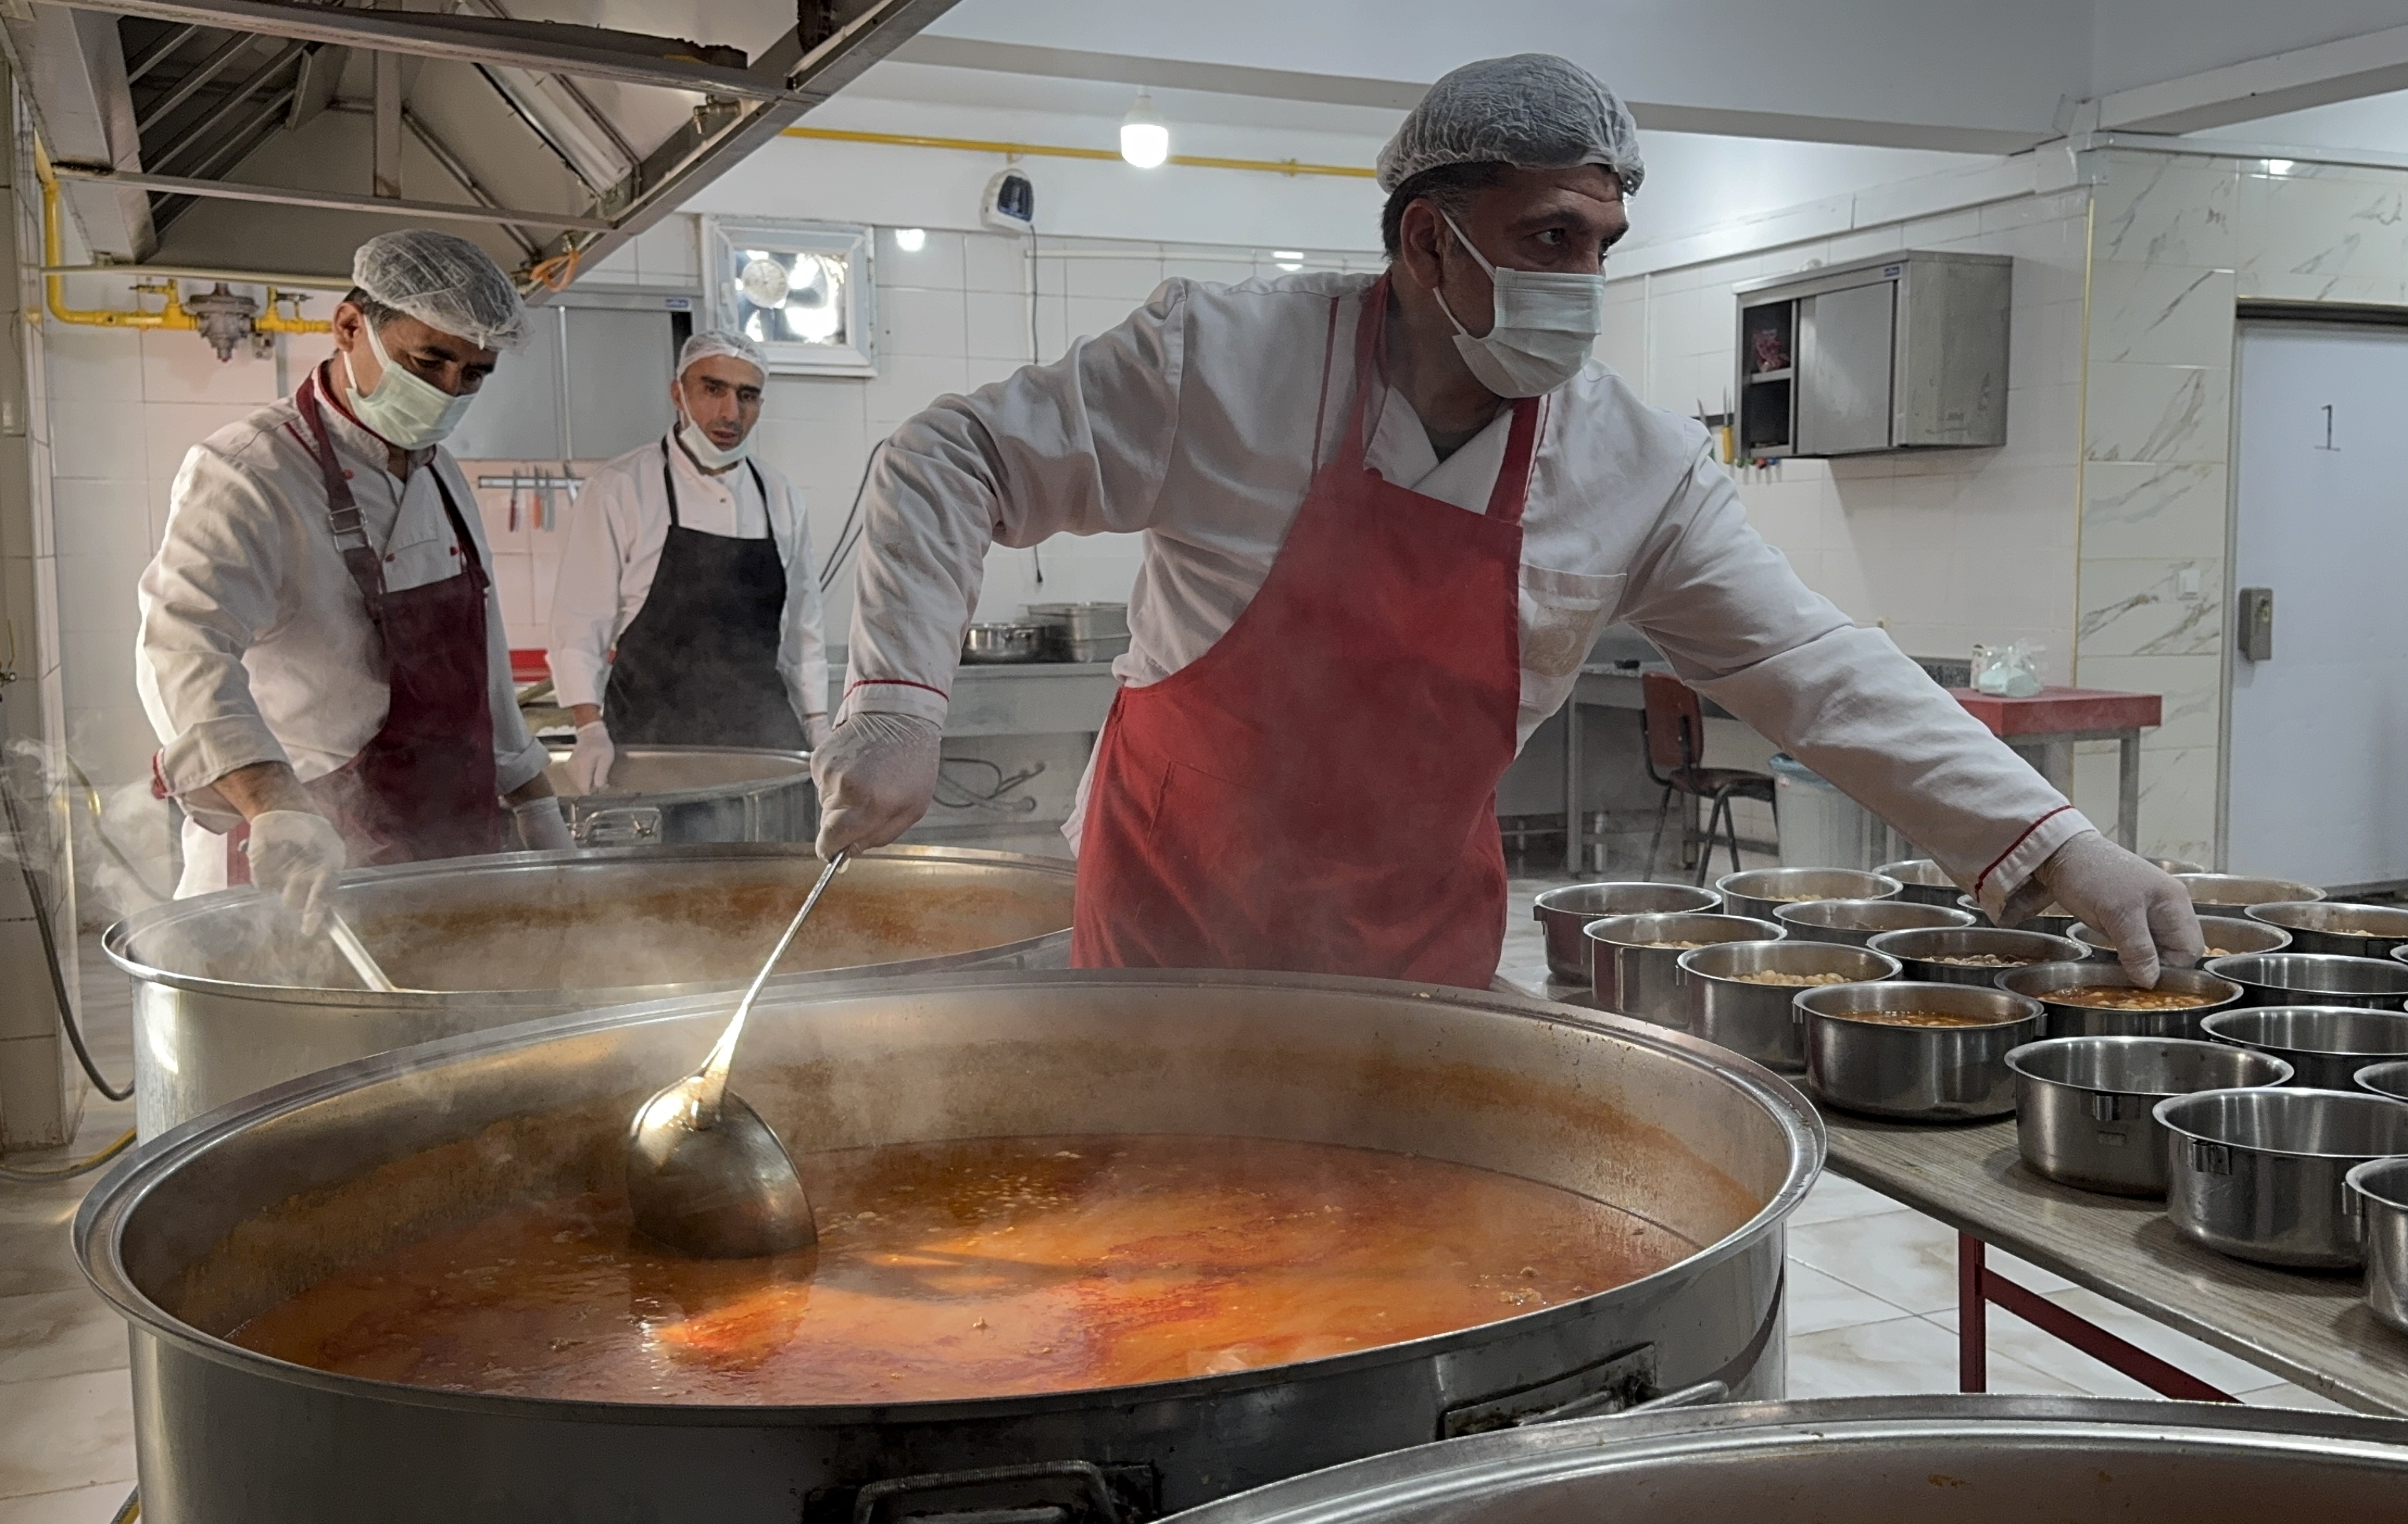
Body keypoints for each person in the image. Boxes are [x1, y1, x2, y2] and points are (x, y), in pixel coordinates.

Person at [813, 54, 2202, 987]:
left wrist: (2055, 841)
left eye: (1602, 247)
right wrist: (894, 700)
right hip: (1171, 942)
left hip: (1413, 969)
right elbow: (952, 459)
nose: (1582, 282)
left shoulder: (1631, 467)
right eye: (1549, 238)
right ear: (1428, 242)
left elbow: (1815, 668)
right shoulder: (1222, 365)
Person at [137, 228, 571, 926]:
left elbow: (483, 664)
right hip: (303, 862)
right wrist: (272, 801)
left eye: (475, 373)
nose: (449, 392)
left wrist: (536, 804)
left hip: (449, 853)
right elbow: (183, 649)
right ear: (349, 326)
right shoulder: (249, 472)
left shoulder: (440, 471)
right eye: (429, 361)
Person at [546, 332, 828, 791]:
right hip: (649, 743)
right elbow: (581, 623)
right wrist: (589, 727)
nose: (730, 414)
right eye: (713, 389)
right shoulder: (621, 487)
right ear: (678, 392)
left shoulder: (780, 496)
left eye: (747, 395)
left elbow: (804, 629)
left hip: (760, 740)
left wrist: (818, 727)